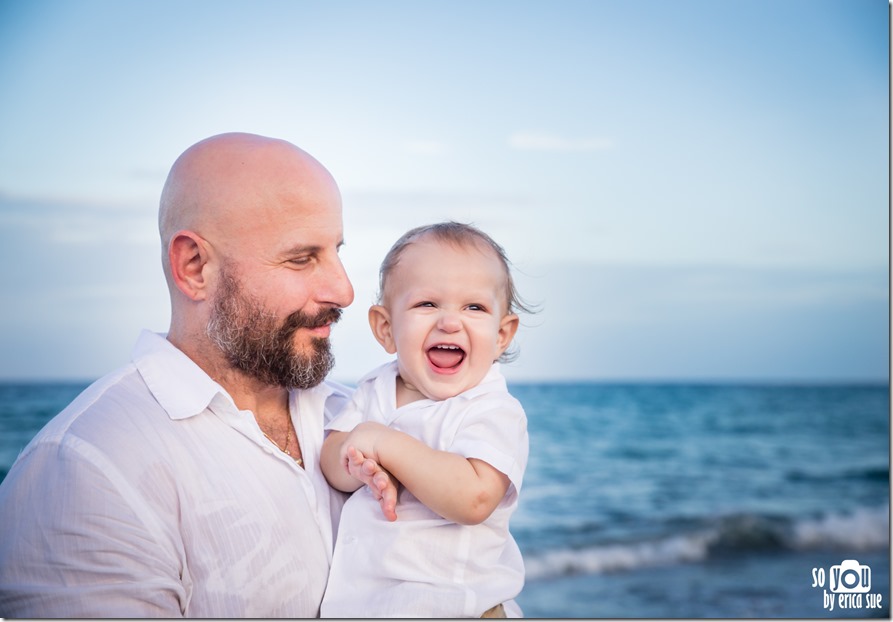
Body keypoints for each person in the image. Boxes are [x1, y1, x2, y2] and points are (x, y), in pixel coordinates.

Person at [0, 132, 375, 617]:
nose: (344, 290)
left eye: (336, 251)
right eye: (302, 258)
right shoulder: (86, 469)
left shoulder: (355, 413)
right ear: (194, 266)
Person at [319, 222, 530, 618]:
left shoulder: (492, 409)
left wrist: (385, 445)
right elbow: (333, 459)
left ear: (502, 334)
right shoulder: (374, 389)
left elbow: (475, 498)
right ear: (386, 328)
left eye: (474, 307)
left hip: (457, 605)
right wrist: (359, 466)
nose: (450, 322)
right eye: (427, 304)